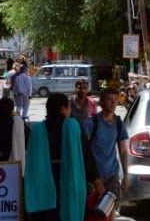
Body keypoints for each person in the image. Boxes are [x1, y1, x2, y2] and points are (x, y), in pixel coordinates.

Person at [24, 93, 105, 221]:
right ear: (63, 108)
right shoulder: (74, 126)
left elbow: (31, 160)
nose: (70, 111)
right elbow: (86, 156)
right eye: (69, 108)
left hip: (43, 183)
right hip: (71, 181)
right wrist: (96, 182)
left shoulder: (37, 129)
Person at [85, 88, 129, 221]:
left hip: (112, 176)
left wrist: (126, 175)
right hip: (94, 178)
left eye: (116, 100)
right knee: (93, 212)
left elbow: (122, 151)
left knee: (111, 210)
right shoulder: (92, 123)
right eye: (110, 100)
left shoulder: (119, 124)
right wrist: (93, 178)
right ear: (102, 102)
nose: (113, 103)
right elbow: (84, 150)